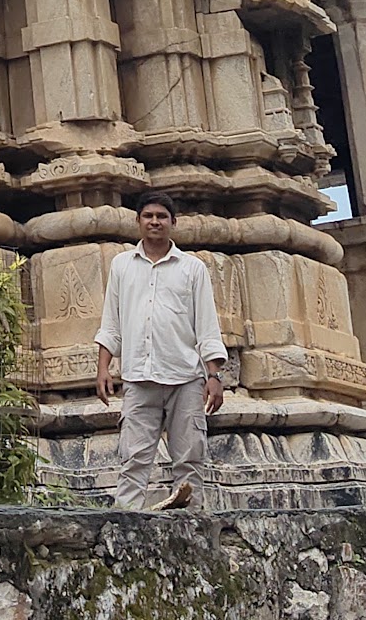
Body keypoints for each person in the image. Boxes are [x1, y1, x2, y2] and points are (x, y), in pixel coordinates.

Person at [94, 190, 227, 510]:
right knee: (134, 460)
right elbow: (111, 323)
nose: (155, 222)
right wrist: (103, 369)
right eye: (148, 216)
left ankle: (192, 524)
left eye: (161, 216)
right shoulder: (122, 266)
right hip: (139, 377)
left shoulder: (192, 268)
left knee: (190, 458)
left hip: (185, 377)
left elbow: (207, 325)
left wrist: (214, 375)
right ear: (138, 222)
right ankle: (125, 524)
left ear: (173, 223)